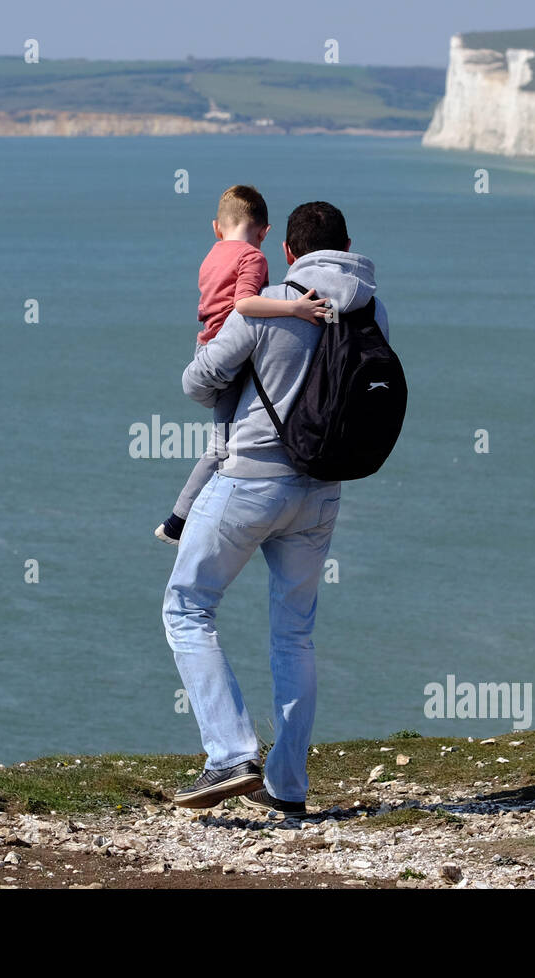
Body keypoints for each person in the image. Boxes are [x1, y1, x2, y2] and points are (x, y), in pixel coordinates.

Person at [163, 201, 389, 813]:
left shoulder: (272, 300)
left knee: (187, 606)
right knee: (294, 637)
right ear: (347, 244)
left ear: (290, 252)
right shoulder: (370, 307)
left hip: (249, 482)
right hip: (321, 490)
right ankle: (287, 786)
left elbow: (197, 379)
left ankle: (231, 752)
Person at [155, 185, 327, 545]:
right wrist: (295, 308)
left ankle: (185, 518)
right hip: (230, 358)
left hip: (205, 348)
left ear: (216, 227)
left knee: (225, 441)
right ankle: (178, 521)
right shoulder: (253, 257)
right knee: (221, 446)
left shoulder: (212, 255)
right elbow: (246, 305)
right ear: (265, 232)